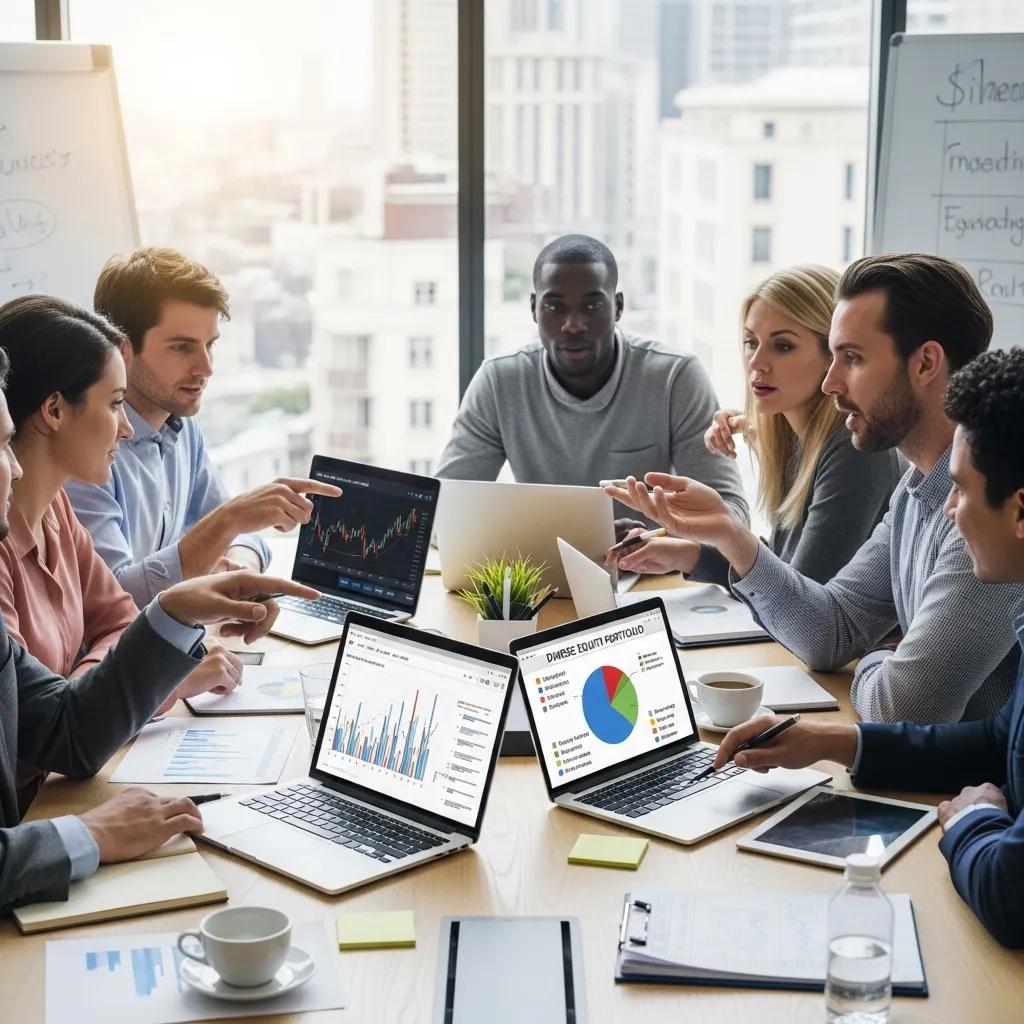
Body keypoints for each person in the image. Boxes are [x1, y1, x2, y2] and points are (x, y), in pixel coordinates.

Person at [608, 253, 1023, 724]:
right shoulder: (916, 488)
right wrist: (731, 536)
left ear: (926, 362)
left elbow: (902, 707)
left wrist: (879, 658)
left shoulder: (989, 512)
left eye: (852, 358)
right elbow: (829, 633)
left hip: (967, 791)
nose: (830, 382)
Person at [712, 347, 1024, 948]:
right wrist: (827, 742)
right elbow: (997, 740)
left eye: (960, 490)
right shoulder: (914, 495)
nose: (951, 511)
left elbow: (1011, 891)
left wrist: (972, 820)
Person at [0, 342, 319, 911]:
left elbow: (74, 712)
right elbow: (72, 708)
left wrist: (171, 615)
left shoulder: (58, 511)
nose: (17, 465)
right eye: (2, 447)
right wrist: (90, 834)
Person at [0, 297, 243, 788]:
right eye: (115, 404)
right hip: (35, 806)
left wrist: (81, 687)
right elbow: (47, 729)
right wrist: (97, 691)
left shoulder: (57, 513)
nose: (128, 426)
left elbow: (121, 618)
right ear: (53, 410)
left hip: (65, 778)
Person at [65, 247, 339, 606]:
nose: (206, 367)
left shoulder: (181, 427)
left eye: (210, 345)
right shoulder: (86, 448)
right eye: (182, 347)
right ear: (122, 349)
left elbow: (236, 538)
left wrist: (239, 573)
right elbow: (115, 601)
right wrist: (231, 519)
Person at [435, 234, 748, 538]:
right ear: (534, 309)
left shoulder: (674, 378)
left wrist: (653, 540)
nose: (573, 324)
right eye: (555, 307)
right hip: (541, 579)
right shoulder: (499, 382)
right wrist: (582, 541)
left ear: (618, 307)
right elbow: (439, 515)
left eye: (593, 306)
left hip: (653, 581)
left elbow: (733, 519)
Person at [609, 265, 902, 584]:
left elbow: (801, 598)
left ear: (832, 354)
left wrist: (723, 529)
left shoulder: (852, 449)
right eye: (751, 342)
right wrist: (683, 554)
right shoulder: (795, 440)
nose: (756, 362)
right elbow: (781, 570)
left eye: (783, 346)